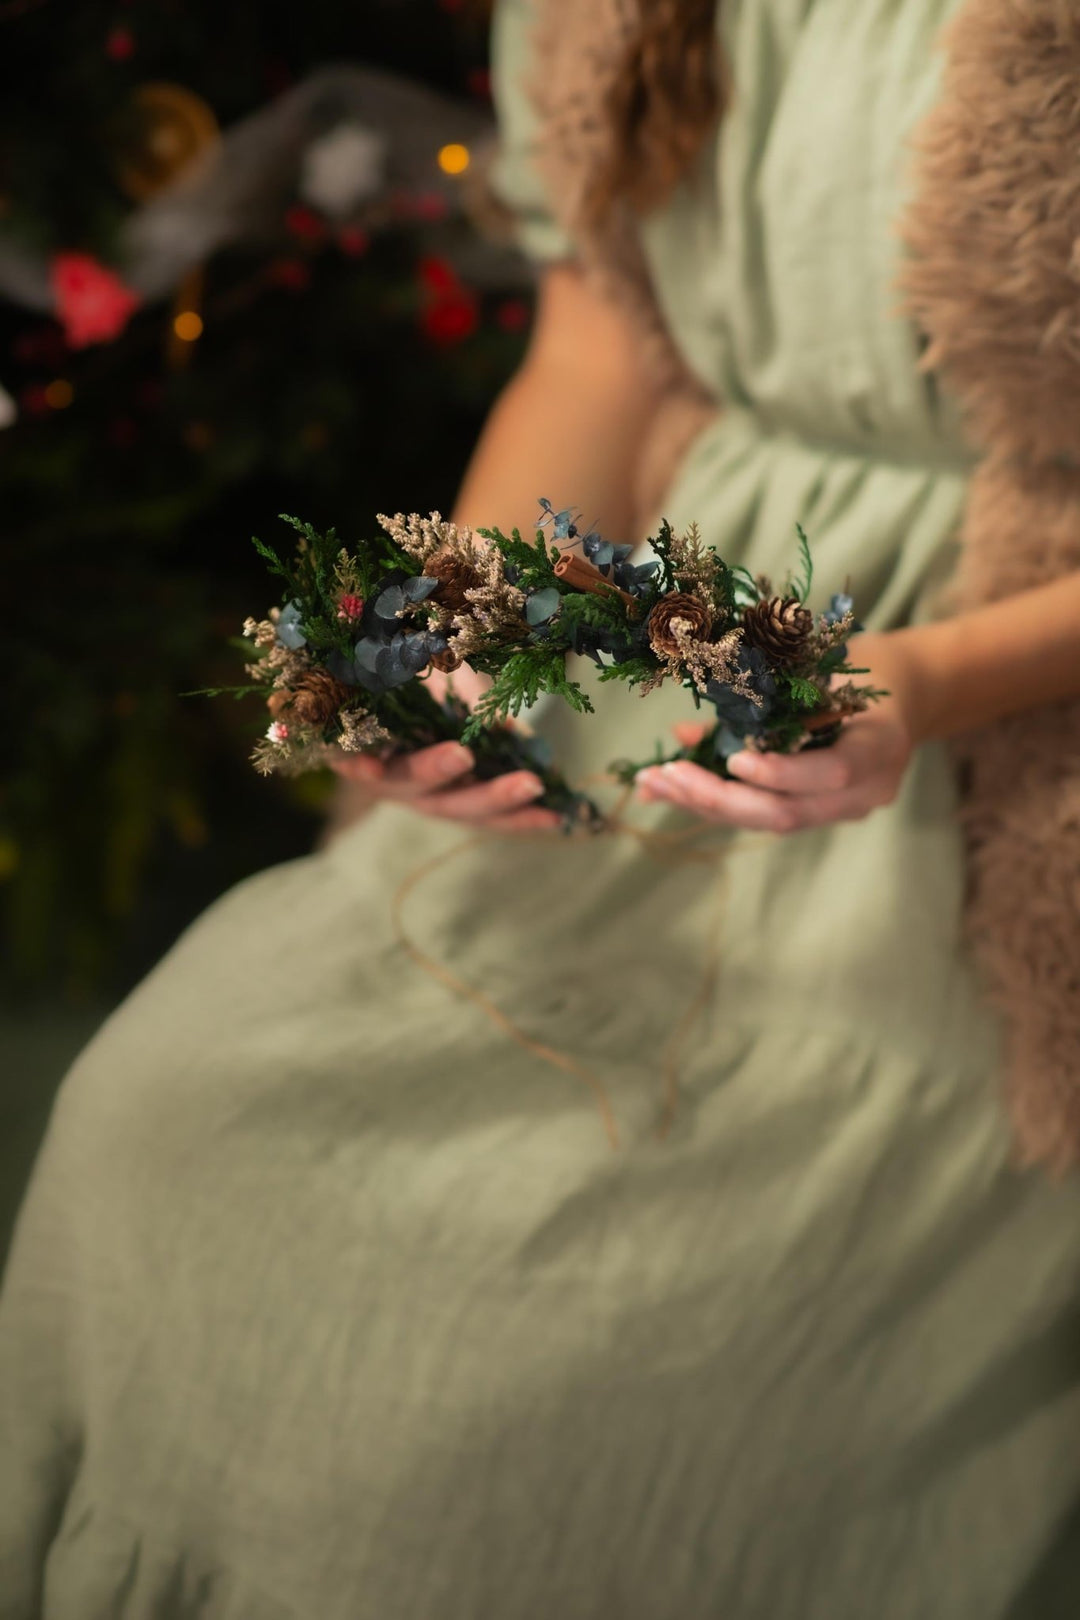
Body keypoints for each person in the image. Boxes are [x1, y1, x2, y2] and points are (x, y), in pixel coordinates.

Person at [4, 1, 1080, 1615]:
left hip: (1004, 778)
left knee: (547, 1374)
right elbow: (601, 352)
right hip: (677, 660)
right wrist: (465, 639)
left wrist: (920, 685)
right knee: (166, 1121)